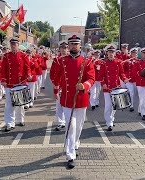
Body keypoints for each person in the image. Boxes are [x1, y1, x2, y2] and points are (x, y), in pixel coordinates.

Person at [51, 34, 95, 169]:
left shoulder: (86, 62)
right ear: (68, 46)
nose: (74, 46)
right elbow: (54, 75)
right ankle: (70, 155)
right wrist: (56, 87)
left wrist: (84, 85)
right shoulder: (61, 61)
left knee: (79, 126)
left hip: (81, 98)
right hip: (67, 98)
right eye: (71, 44)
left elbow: (92, 78)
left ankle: (75, 145)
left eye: (76, 44)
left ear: (80, 46)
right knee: (71, 127)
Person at [1, 36, 32, 132]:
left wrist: (29, 74)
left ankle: (20, 119)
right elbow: (3, 69)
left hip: (20, 82)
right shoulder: (6, 56)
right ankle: (10, 123)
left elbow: (27, 67)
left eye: (15, 44)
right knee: (9, 104)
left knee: (20, 104)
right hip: (10, 83)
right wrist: (4, 80)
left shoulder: (24, 55)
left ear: (18, 45)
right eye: (12, 44)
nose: (13, 46)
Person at [101, 44, 128, 131]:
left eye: (112, 52)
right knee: (108, 105)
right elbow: (100, 76)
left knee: (114, 105)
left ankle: (111, 118)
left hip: (116, 86)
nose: (111, 54)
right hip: (107, 88)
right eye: (109, 52)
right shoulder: (103, 63)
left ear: (115, 53)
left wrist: (124, 79)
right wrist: (103, 83)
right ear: (107, 53)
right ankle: (109, 122)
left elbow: (122, 73)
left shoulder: (118, 62)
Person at [50, 40, 69, 131]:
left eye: (65, 48)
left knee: (68, 105)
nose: (64, 49)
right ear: (60, 49)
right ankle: (60, 122)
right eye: (62, 48)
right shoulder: (56, 60)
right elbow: (52, 73)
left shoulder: (71, 59)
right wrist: (55, 85)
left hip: (69, 86)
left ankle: (67, 121)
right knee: (59, 105)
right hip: (59, 86)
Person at [133, 47, 145, 121]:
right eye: (144, 53)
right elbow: (134, 72)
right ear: (141, 54)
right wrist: (140, 73)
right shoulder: (137, 62)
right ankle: (144, 114)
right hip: (140, 83)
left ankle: (140, 109)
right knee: (142, 98)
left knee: (144, 98)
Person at [122, 48, 138, 112]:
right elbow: (123, 69)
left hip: (136, 80)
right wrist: (124, 77)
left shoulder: (139, 61)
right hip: (129, 79)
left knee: (134, 93)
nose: (134, 54)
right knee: (131, 92)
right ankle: (131, 105)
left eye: (135, 53)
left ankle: (131, 102)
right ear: (131, 54)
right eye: (133, 53)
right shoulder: (127, 61)